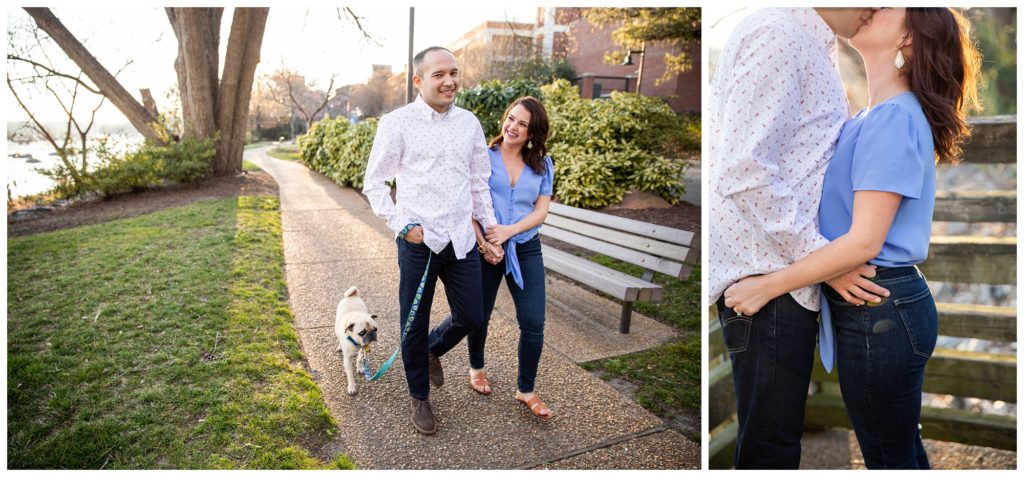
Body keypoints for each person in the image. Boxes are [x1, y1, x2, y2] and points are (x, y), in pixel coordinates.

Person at [723, 7, 981, 469]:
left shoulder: (894, 118)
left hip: (882, 303)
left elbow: (864, 243)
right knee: (892, 450)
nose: (870, 8)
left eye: (885, 8)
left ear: (909, 40)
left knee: (891, 456)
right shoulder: (871, 114)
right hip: (872, 304)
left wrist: (767, 284)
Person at [708, 7, 889, 469]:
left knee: (775, 443)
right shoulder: (779, 32)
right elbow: (745, 170)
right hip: (767, 278)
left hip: (785, 273)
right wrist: (829, 260)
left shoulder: (814, 41)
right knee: (771, 451)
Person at [362, 46, 498, 435]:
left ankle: (433, 349)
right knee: (413, 321)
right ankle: (419, 396)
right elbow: (375, 183)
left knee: (473, 315)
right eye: (439, 74)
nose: (450, 81)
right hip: (418, 241)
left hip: (460, 240)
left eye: (454, 73)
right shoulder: (397, 123)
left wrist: (488, 232)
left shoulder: (469, 123)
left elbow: (478, 183)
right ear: (419, 81)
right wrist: (403, 224)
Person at [432, 97, 555, 419]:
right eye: (511, 118)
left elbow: (541, 211)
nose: (512, 127)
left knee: (533, 322)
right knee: (479, 313)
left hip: (525, 247)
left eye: (522, 124)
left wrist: (509, 231)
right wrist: (486, 243)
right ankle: (476, 367)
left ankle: (525, 389)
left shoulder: (544, 164)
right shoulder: (483, 157)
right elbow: (467, 204)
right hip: (484, 247)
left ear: (533, 132)